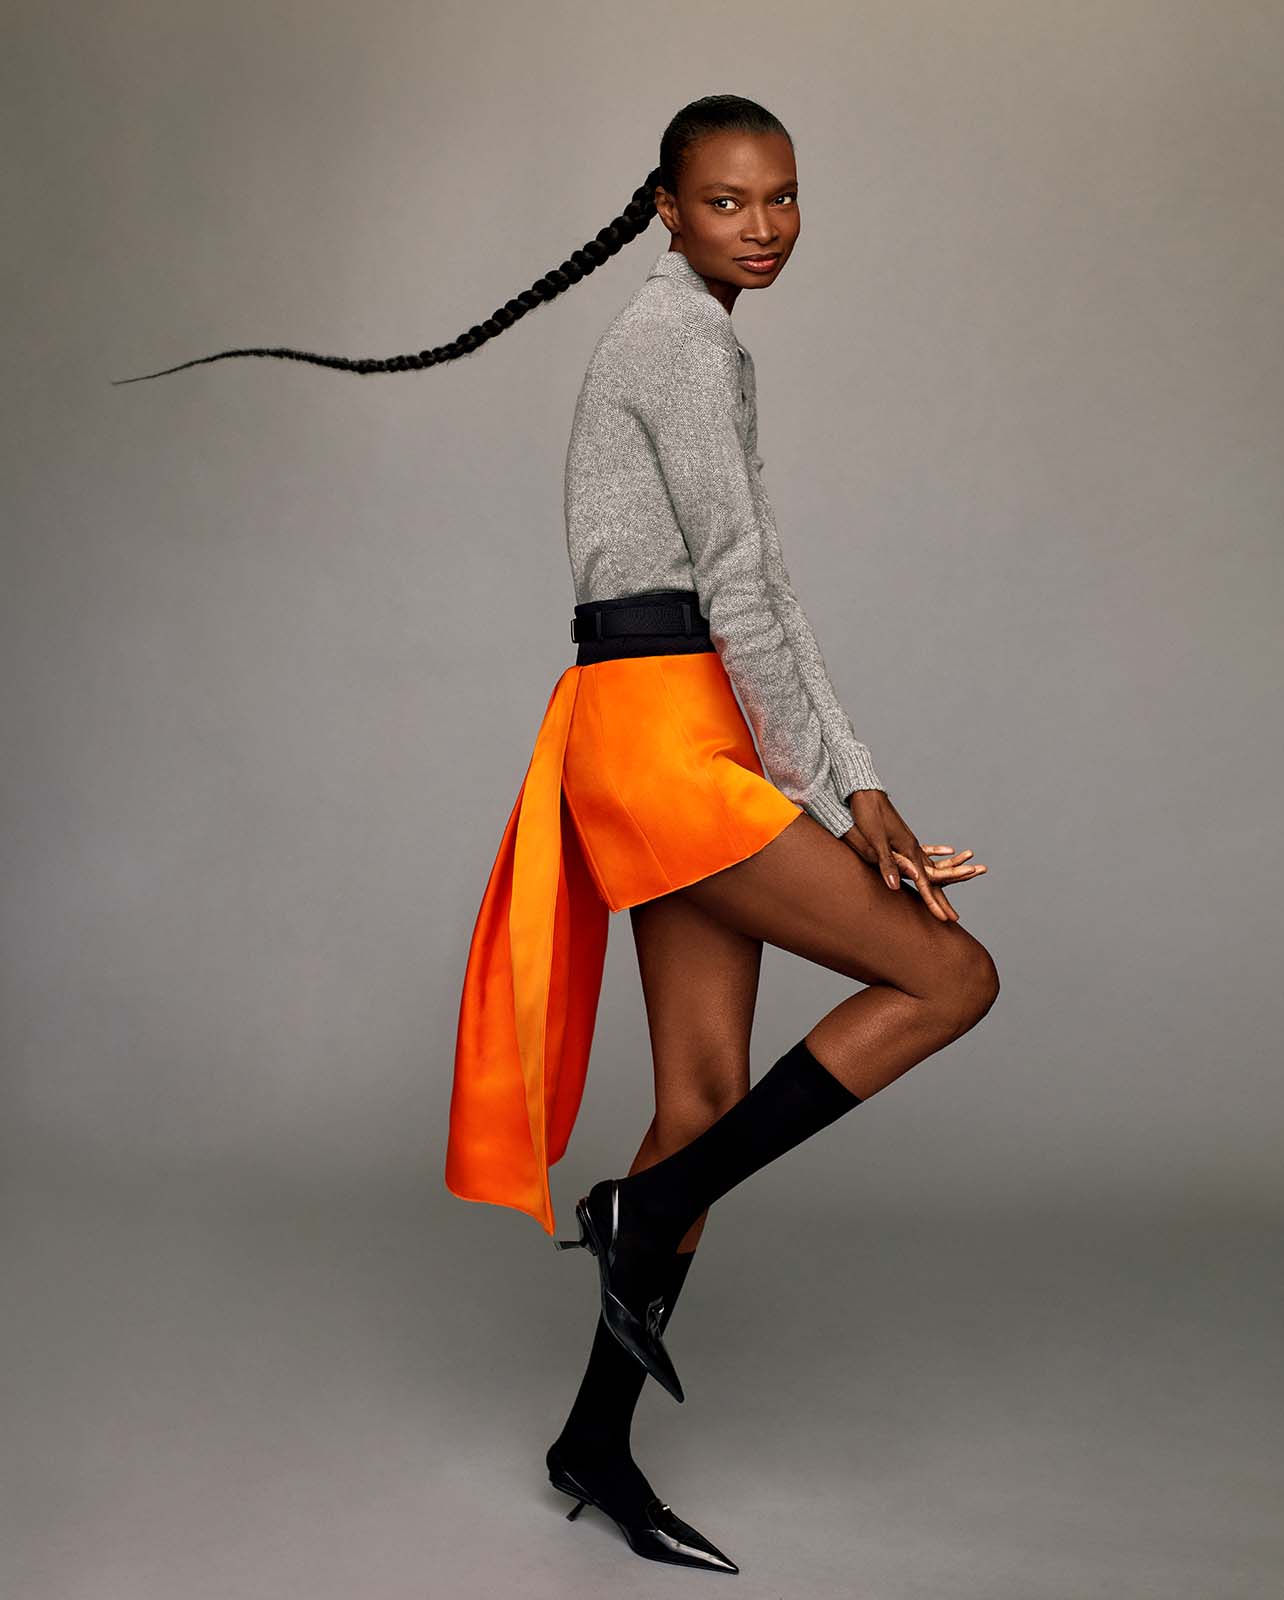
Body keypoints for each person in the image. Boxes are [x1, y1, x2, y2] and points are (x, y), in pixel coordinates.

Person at [114, 92, 998, 1578]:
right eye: (729, 203)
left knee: (702, 1104)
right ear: (665, 205)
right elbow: (742, 593)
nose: (765, 226)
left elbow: (765, 588)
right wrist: (847, 795)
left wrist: (848, 774)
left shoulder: (706, 340)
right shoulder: (674, 342)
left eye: (784, 198)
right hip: (662, 733)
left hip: (680, 722)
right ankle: (638, 1206)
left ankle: (592, 1441)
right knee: (951, 979)